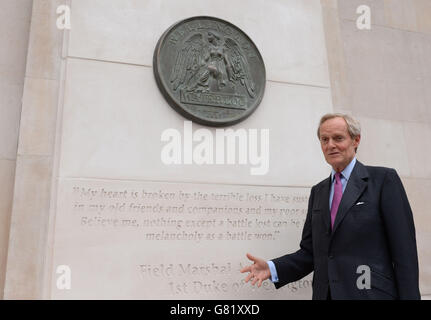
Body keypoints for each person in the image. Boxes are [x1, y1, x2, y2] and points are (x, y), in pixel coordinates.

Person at [240, 113, 420, 300]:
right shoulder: (318, 192)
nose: (330, 145)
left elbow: (404, 253)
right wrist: (272, 268)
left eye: (338, 138)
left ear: (356, 140)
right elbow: (311, 253)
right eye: (324, 139)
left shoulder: (383, 180)